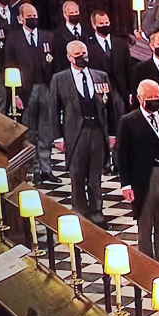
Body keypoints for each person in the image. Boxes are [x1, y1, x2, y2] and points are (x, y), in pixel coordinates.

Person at [117, 79, 159, 266]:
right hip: (143, 178)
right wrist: (126, 184)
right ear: (140, 98)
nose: (155, 101)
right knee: (145, 222)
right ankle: (146, 263)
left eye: (157, 97)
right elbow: (122, 155)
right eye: (150, 98)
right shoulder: (128, 122)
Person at [50, 41, 111, 228]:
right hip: (75, 133)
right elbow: (53, 109)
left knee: (95, 175)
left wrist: (113, 133)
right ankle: (80, 210)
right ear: (69, 56)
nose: (82, 56)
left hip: (97, 131)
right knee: (77, 174)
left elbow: (111, 107)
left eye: (84, 53)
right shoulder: (59, 79)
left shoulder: (101, 76)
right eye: (78, 54)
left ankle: (97, 210)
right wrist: (57, 137)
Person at [5, 3, 60, 185]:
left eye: (35, 14)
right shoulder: (13, 39)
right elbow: (9, 67)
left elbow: (55, 64)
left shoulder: (48, 37)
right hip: (24, 91)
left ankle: (47, 169)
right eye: (29, 15)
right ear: (21, 18)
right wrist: (14, 94)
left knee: (46, 131)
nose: (33, 17)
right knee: (30, 132)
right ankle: (33, 170)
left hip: (45, 87)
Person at [88, 10, 134, 173]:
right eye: (101, 24)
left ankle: (118, 161)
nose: (105, 26)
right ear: (94, 25)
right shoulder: (88, 45)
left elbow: (128, 69)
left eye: (107, 23)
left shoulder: (120, 44)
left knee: (120, 127)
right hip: (99, 93)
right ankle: (104, 163)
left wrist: (130, 92)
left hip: (119, 92)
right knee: (103, 127)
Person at [53, 1, 88, 72]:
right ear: (65, 14)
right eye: (71, 13)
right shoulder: (58, 34)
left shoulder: (88, 30)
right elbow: (58, 59)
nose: (74, 15)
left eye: (76, 12)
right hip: (68, 72)